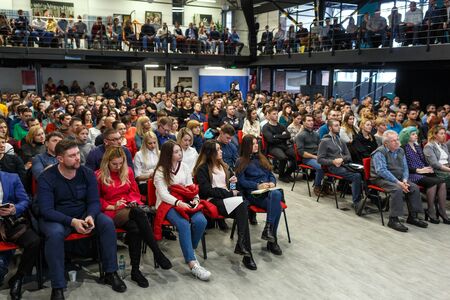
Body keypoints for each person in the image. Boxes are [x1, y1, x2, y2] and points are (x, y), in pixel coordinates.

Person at [37, 139, 127, 299]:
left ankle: (111, 272)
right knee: (55, 234)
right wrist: (72, 222)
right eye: (72, 155)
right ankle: (57, 286)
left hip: (84, 214)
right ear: (60, 159)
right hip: (57, 218)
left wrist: (91, 216)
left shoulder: (86, 173)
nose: (78, 157)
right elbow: (46, 210)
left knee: (106, 223)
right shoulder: (47, 177)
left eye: (78, 153)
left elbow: (94, 201)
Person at [97, 147, 172, 288]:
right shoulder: (99, 175)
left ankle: (135, 271)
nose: (118, 167)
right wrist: (113, 206)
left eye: (121, 163)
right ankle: (157, 252)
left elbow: (134, 192)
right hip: (111, 211)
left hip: (128, 209)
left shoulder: (128, 171)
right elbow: (97, 199)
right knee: (138, 213)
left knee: (136, 228)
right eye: (114, 164)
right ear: (107, 162)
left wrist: (131, 201)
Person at [194, 140, 256, 270]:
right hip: (214, 201)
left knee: (243, 207)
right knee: (243, 206)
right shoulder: (202, 168)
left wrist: (233, 182)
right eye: (218, 149)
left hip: (227, 201)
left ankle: (244, 248)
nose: (221, 151)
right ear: (210, 153)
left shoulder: (224, 166)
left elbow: (231, 186)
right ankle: (246, 253)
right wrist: (229, 193)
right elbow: (205, 191)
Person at [153, 140, 210, 281]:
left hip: (185, 199)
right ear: (168, 154)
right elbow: (163, 194)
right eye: (176, 152)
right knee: (184, 224)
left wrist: (196, 198)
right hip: (168, 203)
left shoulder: (183, 167)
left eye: (180, 151)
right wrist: (178, 203)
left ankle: (189, 249)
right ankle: (192, 264)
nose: (180, 154)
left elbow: (191, 187)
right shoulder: (160, 171)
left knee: (201, 221)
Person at [370, 130, 428, 232]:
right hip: (381, 179)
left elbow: (405, 167)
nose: (397, 142)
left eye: (397, 139)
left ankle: (413, 217)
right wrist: (398, 182)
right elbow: (381, 171)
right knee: (397, 189)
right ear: (386, 143)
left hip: (399, 178)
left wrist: (405, 180)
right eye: (393, 141)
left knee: (413, 187)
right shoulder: (379, 152)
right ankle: (393, 219)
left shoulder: (400, 150)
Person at [235, 135, 283, 255]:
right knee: (277, 205)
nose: (256, 146)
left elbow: (270, 174)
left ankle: (268, 231)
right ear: (247, 146)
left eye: (257, 143)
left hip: (268, 192)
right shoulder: (241, 161)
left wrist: (272, 182)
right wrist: (257, 185)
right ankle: (272, 240)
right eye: (253, 144)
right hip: (254, 194)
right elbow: (241, 181)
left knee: (276, 195)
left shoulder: (262, 158)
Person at [0, 171, 40, 300]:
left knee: (34, 241)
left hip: (10, 222)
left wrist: (14, 209)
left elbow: (25, 200)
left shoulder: (12, 178)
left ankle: (19, 277)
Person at [400, 126, 448, 224]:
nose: (416, 136)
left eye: (415, 134)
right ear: (407, 136)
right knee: (433, 183)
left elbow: (423, 161)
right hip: (412, 174)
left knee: (442, 182)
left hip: (423, 171)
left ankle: (442, 211)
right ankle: (431, 210)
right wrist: (419, 170)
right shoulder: (403, 148)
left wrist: (428, 167)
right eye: (413, 134)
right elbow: (403, 167)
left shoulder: (417, 146)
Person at [317, 120, 364, 214]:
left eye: (339, 125)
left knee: (363, 171)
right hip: (333, 167)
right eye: (336, 126)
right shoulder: (324, 141)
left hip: (343, 164)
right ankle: (357, 202)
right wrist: (333, 161)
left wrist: (341, 159)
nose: (339, 127)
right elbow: (320, 159)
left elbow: (348, 156)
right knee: (356, 176)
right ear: (330, 128)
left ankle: (367, 199)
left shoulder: (340, 140)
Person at [262, 107, 296, 183]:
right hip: (273, 147)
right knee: (283, 158)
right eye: (274, 114)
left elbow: (288, 135)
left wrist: (276, 136)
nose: (276, 115)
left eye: (277, 114)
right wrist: (281, 136)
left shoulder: (281, 126)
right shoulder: (266, 127)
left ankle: (287, 174)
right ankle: (281, 176)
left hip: (284, 146)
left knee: (294, 155)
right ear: (269, 115)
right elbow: (270, 140)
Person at [296, 114, 324, 196]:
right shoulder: (300, 135)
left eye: (312, 120)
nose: (311, 122)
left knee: (330, 163)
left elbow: (321, 147)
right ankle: (317, 186)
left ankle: (326, 185)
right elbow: (301, 153)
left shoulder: (316, 134)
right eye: (308, 121)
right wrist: (315, 157)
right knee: (320, 167)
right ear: (303, 122)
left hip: (317, 156)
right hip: (307, 158)